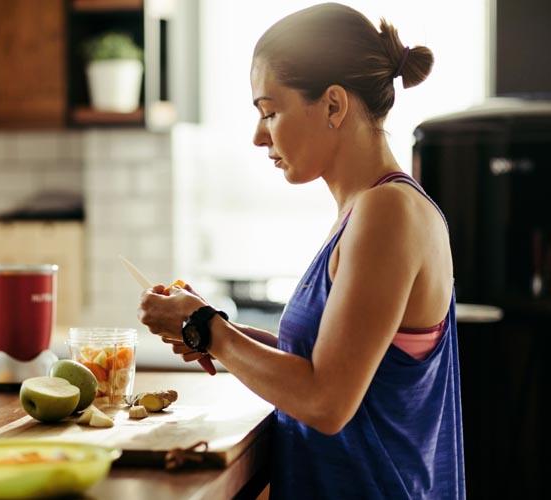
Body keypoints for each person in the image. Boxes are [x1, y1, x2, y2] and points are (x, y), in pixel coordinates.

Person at [137, 3, 465, 499]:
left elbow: (326, 401)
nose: (257, 135)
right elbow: (326, 364)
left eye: (270, 111)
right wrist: (211, 327)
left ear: (334, 106)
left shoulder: (387, 214)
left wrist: (211, 331)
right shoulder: (366, 211)